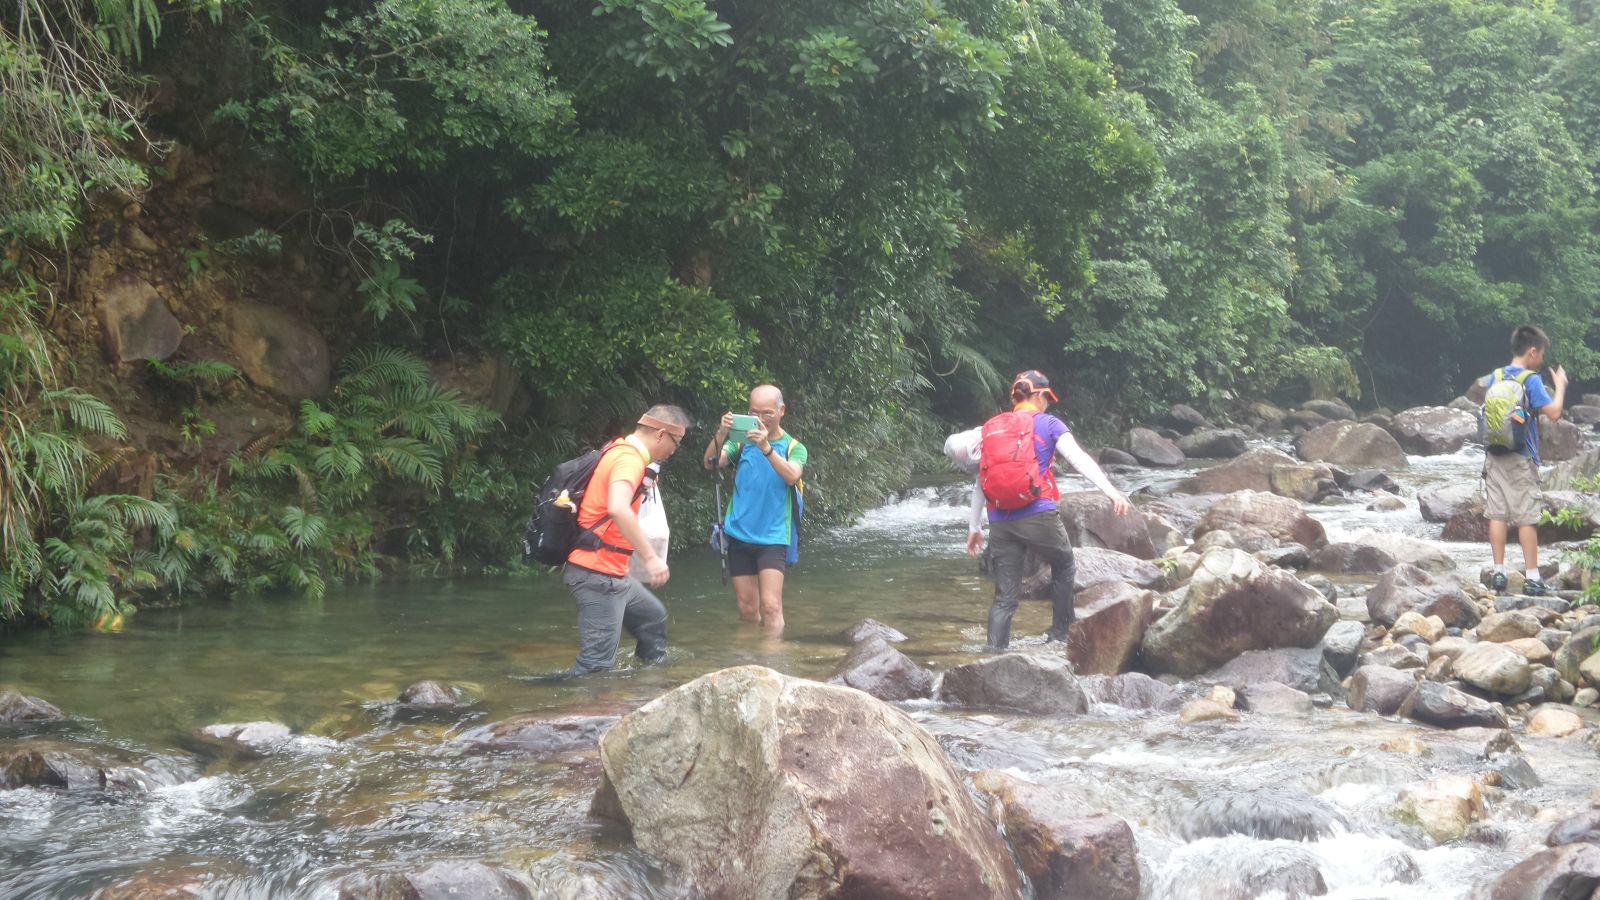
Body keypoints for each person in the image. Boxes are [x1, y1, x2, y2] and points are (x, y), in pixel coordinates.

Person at [966, 370, 1131, 651]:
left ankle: (994, 651)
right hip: (1037, 513)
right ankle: (1060, 636)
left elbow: (982, 479)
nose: (1047, 404)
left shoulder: (993, 427)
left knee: (1005, 595)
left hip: (1000, 520)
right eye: (1047, 398)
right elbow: (1078, 458)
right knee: (1063, 563)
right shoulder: (1049, 424)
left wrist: (974, 527)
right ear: (1039, 396)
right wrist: (1110, 490)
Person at [564, 406, 690, 675]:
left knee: (651, 619)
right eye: (676, 441)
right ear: (661, 434)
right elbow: (618, 508)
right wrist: (650, 558)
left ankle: (648, 688)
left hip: (613, 573)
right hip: (598, 574)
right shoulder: (628, 459)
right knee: (595, 666)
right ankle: (539, 697)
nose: (675, 449)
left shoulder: (619, 450)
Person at [703, 384, 807, 633]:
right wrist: (722, 433)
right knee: (747, 608)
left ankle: (773, 656)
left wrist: (766, 448)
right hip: (739, 533)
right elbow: (711, 463)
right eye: (754, 413)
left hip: (773, 536)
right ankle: (749, 653)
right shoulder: (740, 444)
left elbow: (792, 476)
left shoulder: (794, 447)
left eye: (767, 413)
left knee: (771, 606)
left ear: (782, 410)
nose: (760, 419)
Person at [1482, 325, 1568, 596]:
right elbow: (1554, 413)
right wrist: (1560, 387)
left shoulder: (1495, 376)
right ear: (1532, 352)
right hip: (1521, 456)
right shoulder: (1530, 379)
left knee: (1497, 514)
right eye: (1541, 354)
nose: (1541, 359)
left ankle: (1498, 573)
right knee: (1526, 517)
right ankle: (1532, 577)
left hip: (1494, 454)